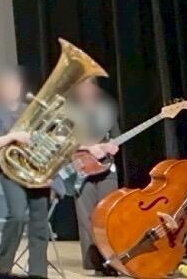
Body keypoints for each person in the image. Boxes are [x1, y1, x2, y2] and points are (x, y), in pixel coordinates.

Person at [0, 68, 51, 279]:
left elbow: (46, 138)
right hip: (10, 171)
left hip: (36, 170)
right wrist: (13, 137)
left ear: (19, 87)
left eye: (14, 86)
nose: (11, 89)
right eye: (7, 86)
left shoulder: (31, 110)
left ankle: (38, 273)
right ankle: (2, 268)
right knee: (17, 216)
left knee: (40, 222)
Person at [69, 78, 121, 274]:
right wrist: (89, 147)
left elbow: (115, 137)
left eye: (90, 86)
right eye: (82, 87)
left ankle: (113, 261)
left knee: (109, 216)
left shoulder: (106, 111)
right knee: (87, 219)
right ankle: (96, 264)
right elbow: (64, 141)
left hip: (106, 169)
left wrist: (112, 146)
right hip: (81, 170)